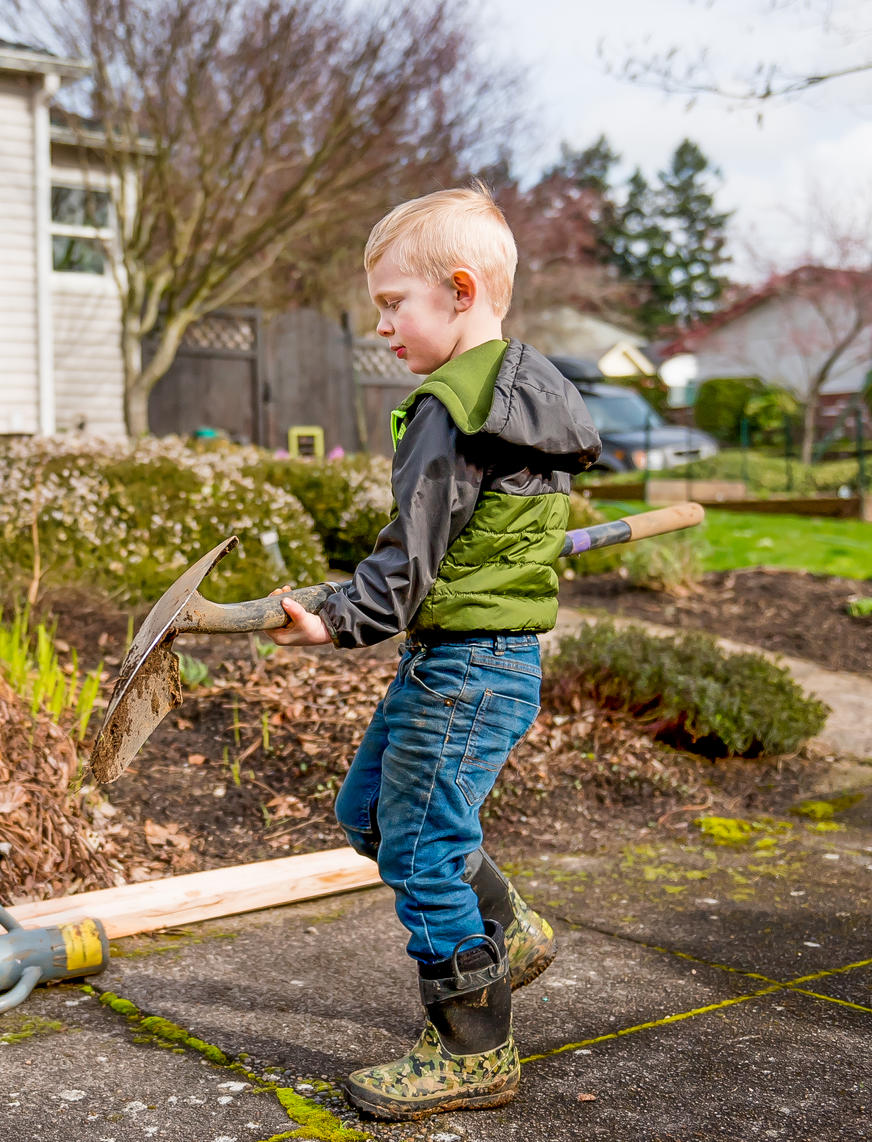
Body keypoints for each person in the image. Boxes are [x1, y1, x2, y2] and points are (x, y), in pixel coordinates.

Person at [267, 184, 601, 1121]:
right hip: (491, 662)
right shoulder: (529, 388)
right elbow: (467, 540)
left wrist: (339, 619)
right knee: (370, 812)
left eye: (392, 303)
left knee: (419, 847)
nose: (381, 326)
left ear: (460, 291)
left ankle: (472, 1050)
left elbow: (410, 555)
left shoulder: (448, 407)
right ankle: (508, 930)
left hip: (463, 668)